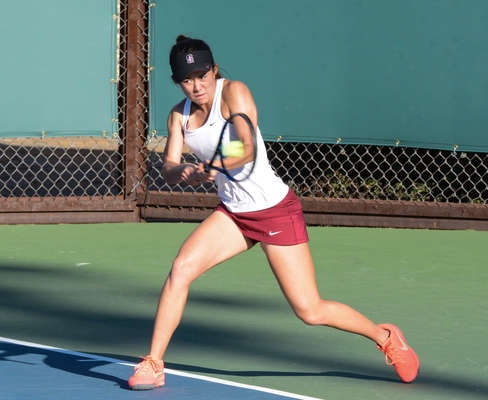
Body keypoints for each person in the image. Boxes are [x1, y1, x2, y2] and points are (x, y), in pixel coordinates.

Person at [128, 35, 420, 390]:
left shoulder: (234, 92)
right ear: (177, 82)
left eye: (202, 75)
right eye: (187, 80)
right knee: (181, 269)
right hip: (234, 214)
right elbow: (170, 166)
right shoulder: (180, 115)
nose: (196, 85)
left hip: (274, 211)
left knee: (309, 310)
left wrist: (214, 166)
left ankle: (385, 336)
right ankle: (154, 363)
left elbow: (247, 146)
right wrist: (184, 173)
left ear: (214, 70)